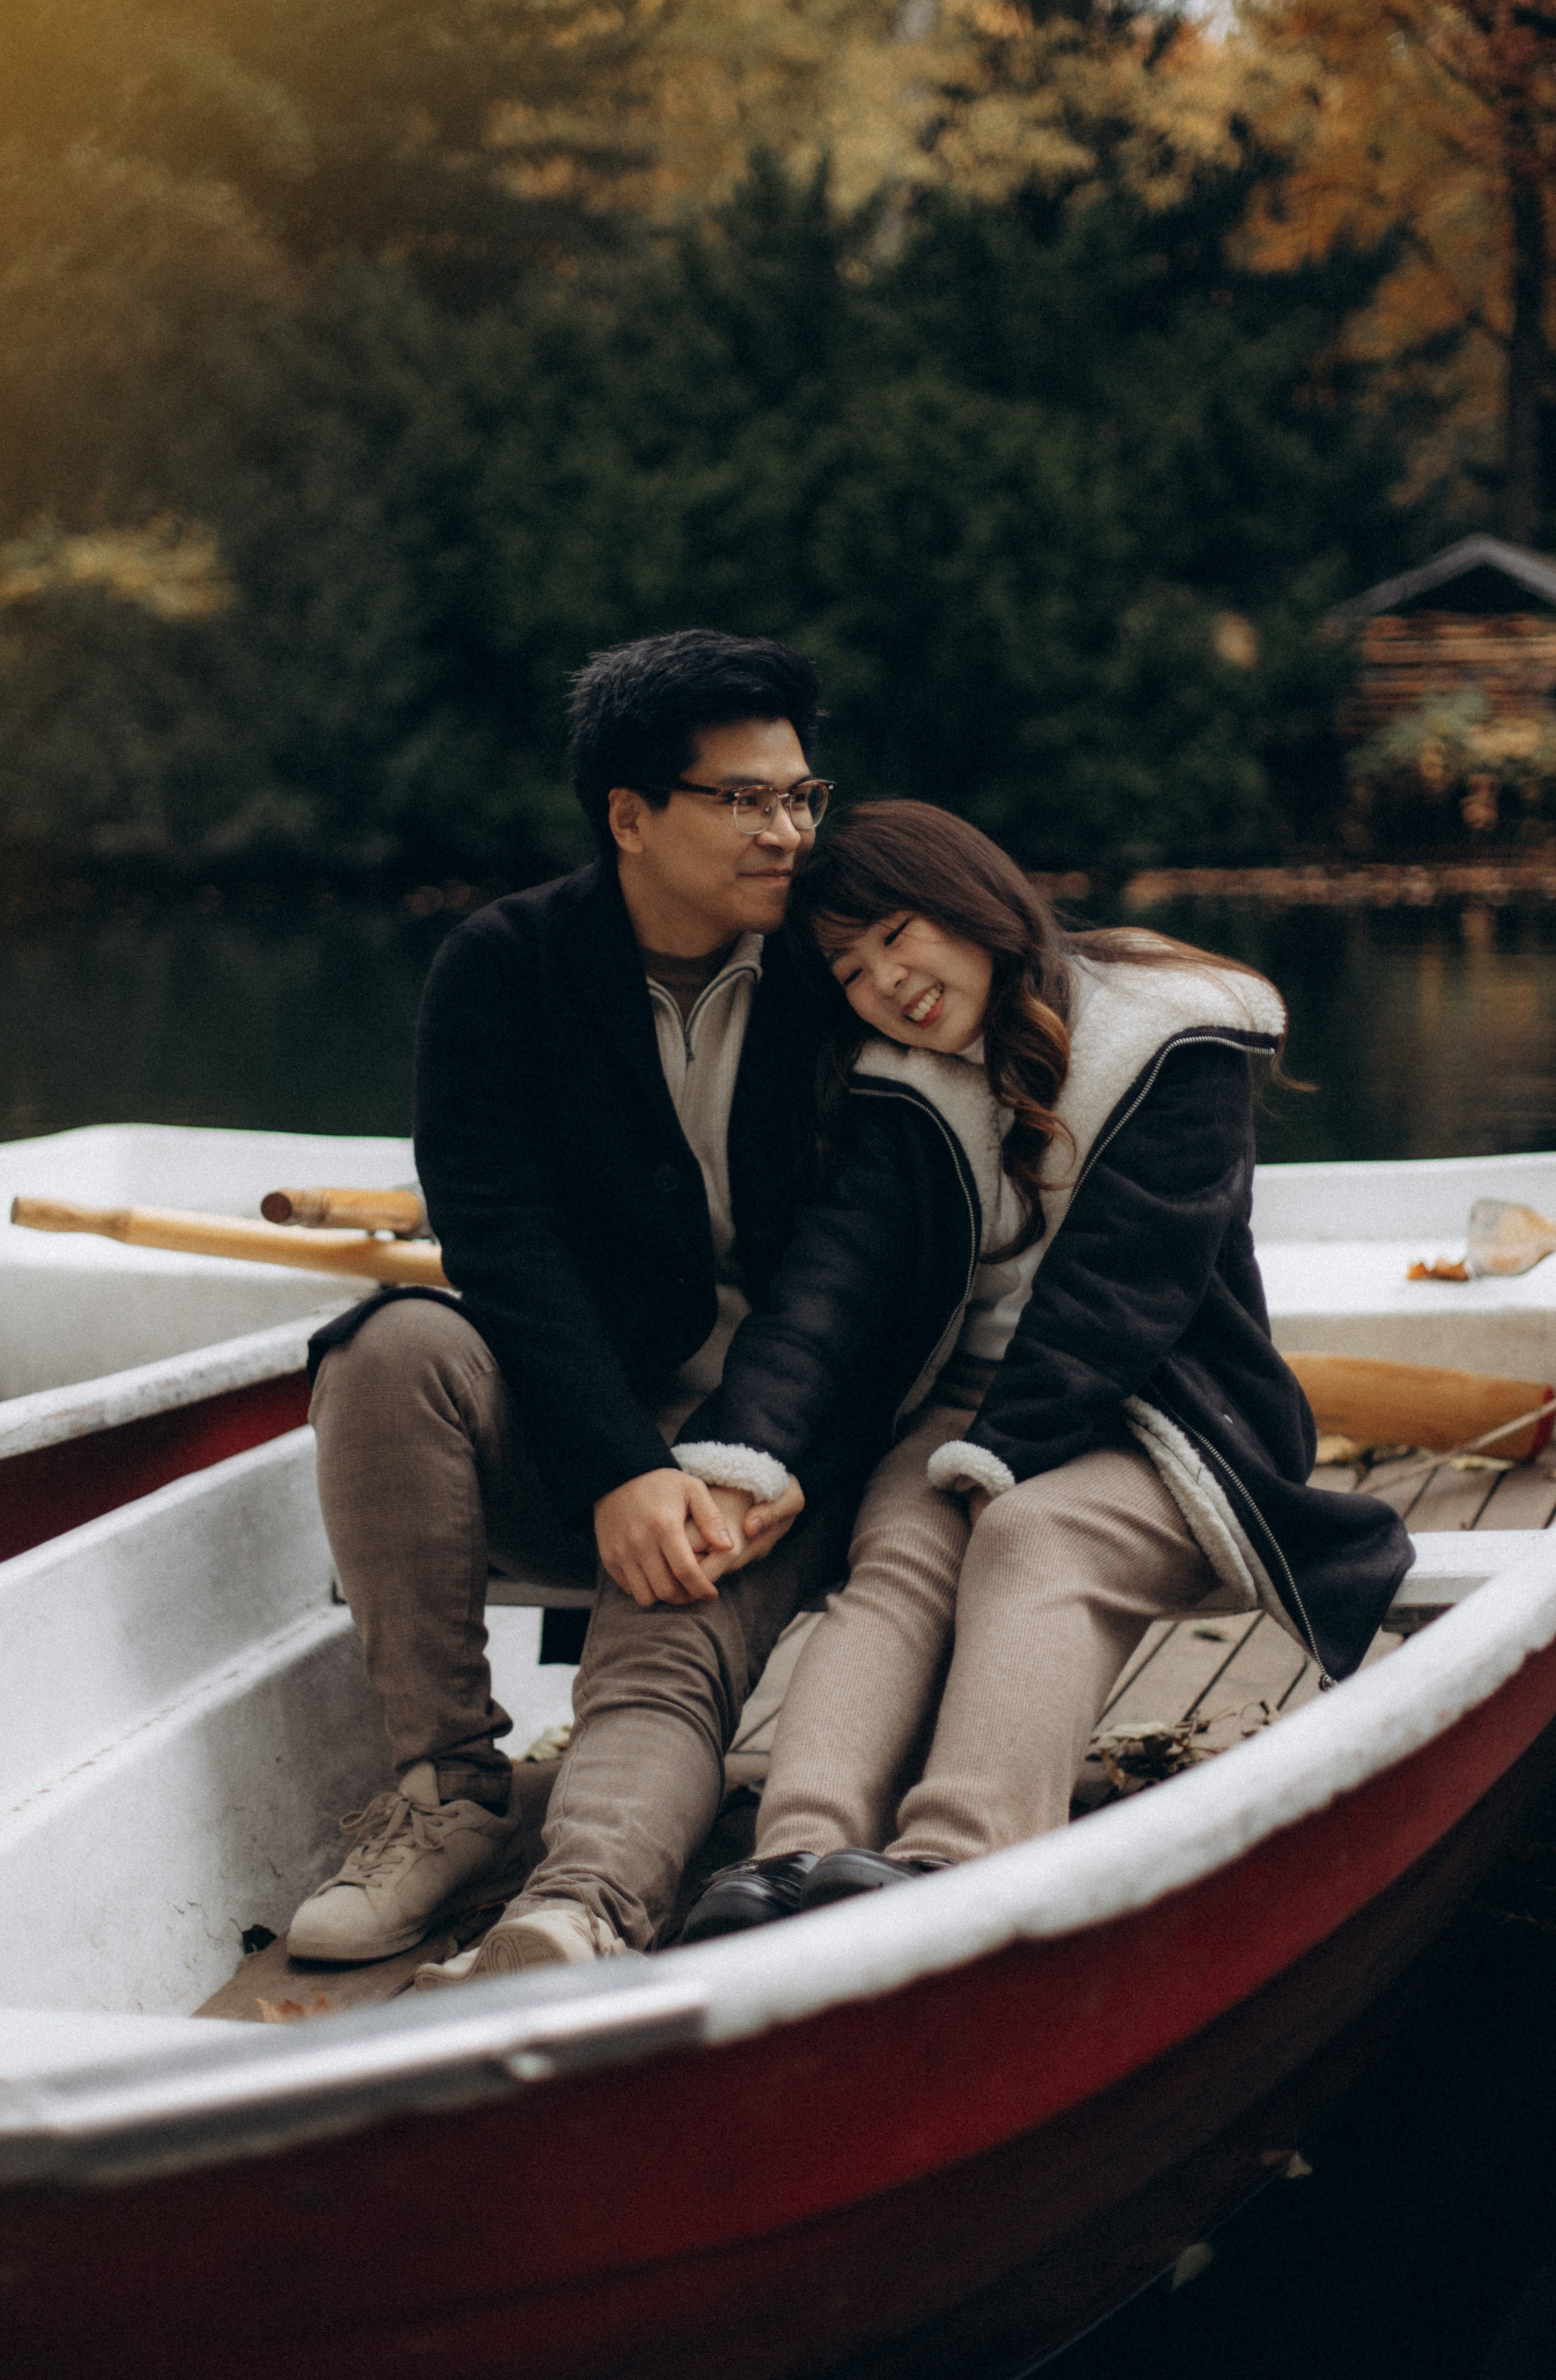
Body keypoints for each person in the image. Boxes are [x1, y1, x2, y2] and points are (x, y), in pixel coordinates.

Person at [675, 801, 1413, 1939]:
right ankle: (794, 1862)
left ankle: (960, 1864)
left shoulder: (1172, 1038)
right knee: (902, 1554)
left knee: (1032, 1534)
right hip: (977, 1408)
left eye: (899, 930)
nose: (887, 981)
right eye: (850, 966)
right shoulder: (905, 1083)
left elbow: (1123, 1293)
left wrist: (1000, 1455)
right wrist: (745, 1451)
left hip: (1168, 1413)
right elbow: (830, 1289)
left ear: (969, 896)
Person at [288, 629, 868, 1974]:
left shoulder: (842, 967)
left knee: (670, 1616)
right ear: (629, 815)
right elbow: (497, 1234)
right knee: (391, 1346)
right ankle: (448, 1793)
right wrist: (618, 1460)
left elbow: (860, 1255)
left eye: (800, 794)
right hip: (579, 1416)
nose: (787, 830)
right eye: (744, 799)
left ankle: (584, 1896)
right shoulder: (505, 965)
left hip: (780, 1430)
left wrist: (728, 1451)